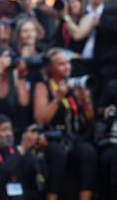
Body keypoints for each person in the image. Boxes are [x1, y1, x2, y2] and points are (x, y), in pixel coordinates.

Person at [33, 48, 97, 200]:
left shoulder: (75, 85)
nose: (67, 67)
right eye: (61, 64)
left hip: (72, 136)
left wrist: (85, 101)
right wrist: (58, 98)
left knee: (88, 152)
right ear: (51, 68)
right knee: (57, 154)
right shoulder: (43, 86)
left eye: (68, 63)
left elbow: (89, 120)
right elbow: (40, 119)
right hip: (52, 136)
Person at [0, 113, 43, 200]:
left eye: (10, 129)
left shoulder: (20, 152)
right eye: (4, 130)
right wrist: (22, 148)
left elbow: (34, 175)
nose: (9, 133)